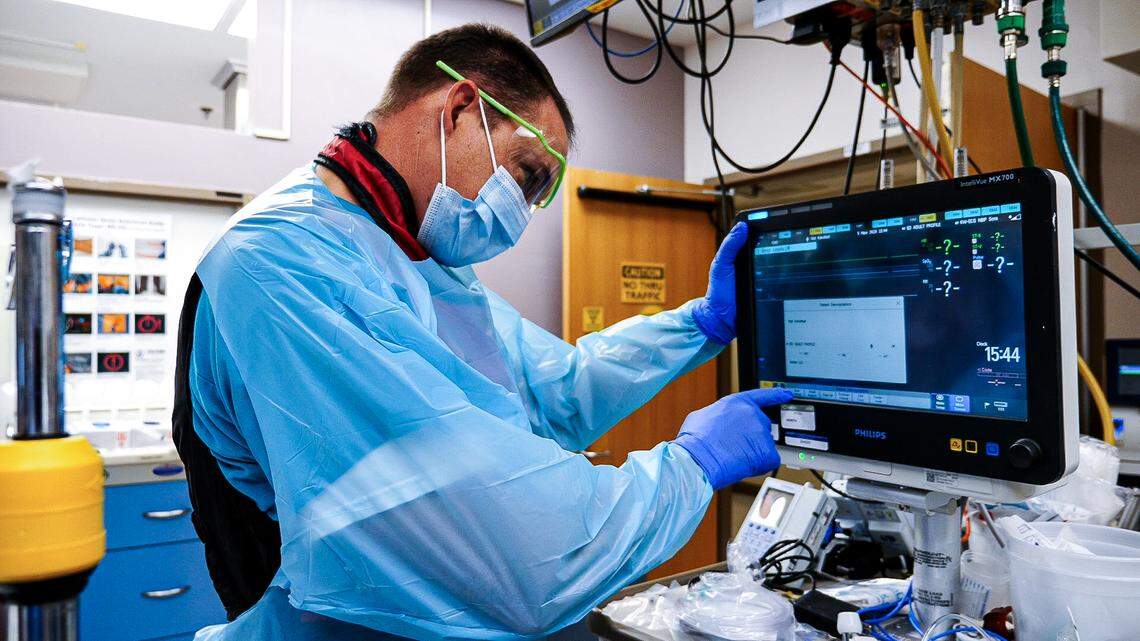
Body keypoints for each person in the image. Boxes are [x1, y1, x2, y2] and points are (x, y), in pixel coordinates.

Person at [173, 23, 790, 641]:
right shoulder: (283, 259)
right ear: (462, 107)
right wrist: (691, 464)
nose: (518, 214)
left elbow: (555, 391)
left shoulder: (419, 262)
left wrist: (698, 326)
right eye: (526, 175)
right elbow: (511, 546)